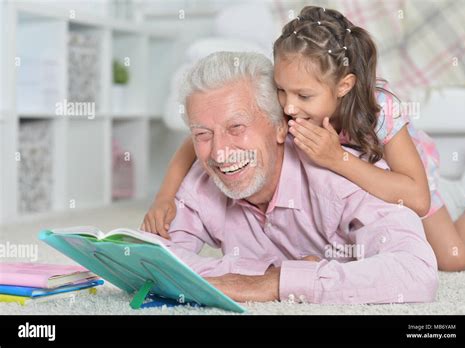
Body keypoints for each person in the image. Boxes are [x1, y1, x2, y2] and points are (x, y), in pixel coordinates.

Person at [142, 6, 465, 272]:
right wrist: (164, 197)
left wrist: (336, 158)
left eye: (302, 95)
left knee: (453, 259)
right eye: (283, 91)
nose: (288, 105)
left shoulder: (381, 112)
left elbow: (415, 196)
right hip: (358, 184)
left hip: (401, 175)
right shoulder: (292, 103)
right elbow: (201, 138)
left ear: (343, 86)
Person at [147, 50, 438, 304]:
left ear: (281, 126)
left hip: (420, 175)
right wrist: (269, 272)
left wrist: (276, 283)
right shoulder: (204, 178)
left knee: (453, 255)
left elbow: (416, 271)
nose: (220, 152)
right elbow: (153, 263)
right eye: (203, 134)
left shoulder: (341, 176)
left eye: (237, 127)